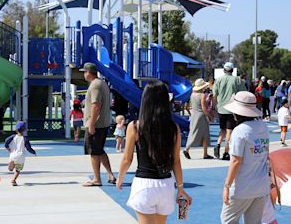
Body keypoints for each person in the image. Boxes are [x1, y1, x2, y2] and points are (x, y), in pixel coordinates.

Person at [116, 80, 192, 224]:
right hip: (166, 185)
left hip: (144, 184)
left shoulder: (135, 126)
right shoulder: (173, 128)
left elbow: (127, 159)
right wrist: (180, 188)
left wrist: (120, 178)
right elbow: (176, 161)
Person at [220, 91, 270, 224]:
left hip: (242, 187)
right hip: (261, 184)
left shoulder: (240, 131)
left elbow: (236, 161)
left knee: (228, 220)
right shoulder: (263, 127)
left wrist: (227, 186)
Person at [81, 62, 116, 186]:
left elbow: (95, 105)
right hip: (104, 122)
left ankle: (97, 178)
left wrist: (91, 124)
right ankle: (110, 174)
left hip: (96, 124)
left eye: (84, 72)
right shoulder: (103, 83)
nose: (84, 74)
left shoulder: (94, 86)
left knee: (94, 152)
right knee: (100, 150)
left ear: (89, 72)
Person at [212, 62, 246, 160]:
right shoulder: (237, 80)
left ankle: (218, 145)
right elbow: (242, 93)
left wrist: (214, 107)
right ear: (232, 70)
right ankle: (226, 152)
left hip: (221, 108)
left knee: (222, 129)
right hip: (232, 109)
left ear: (224, 70)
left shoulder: (218, 80)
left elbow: (214, 95)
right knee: (229, 132)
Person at [183, 78, 213, 159]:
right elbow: (204, 108)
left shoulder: (192, 95)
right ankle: (189, 150)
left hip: (194, 115)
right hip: (201, 116)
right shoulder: (202, 95)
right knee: (205, 134)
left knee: (193, 132)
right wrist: (209, 116)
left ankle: (189, 149)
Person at [5, 121, 36, 186]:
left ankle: (11, 165)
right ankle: (13, 180)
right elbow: (28, 148)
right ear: (24, 130)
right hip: (21, 156)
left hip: (12, 155)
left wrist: (7, 147)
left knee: (11, 168)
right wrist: (33, 152)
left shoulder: (13, 136)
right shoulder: (25, 139)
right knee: (18, 170)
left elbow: (6, 141)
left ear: (16, 129)